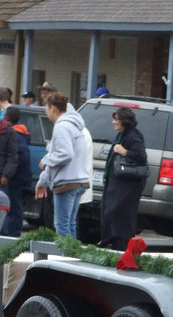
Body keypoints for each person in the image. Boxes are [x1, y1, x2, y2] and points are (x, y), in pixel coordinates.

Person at [36, 93, 90, 239]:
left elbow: (65, 153)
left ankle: (64, 252)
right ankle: (72, 252)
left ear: (53, 107)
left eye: (46, 108)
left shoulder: (61, 126)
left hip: (66, 181)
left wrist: (46, 160)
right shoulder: (75, 125)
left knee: (62, 224)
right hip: (80, 180)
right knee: (70, 223)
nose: (46, 112)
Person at [98, 107, 147, 250]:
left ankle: (121, 247)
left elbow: (141, 156)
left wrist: (124, 151)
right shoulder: (121, 135)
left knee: (120, 215)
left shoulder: (133, 136)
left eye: (116, 119)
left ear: (124, 121)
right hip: (116, 183)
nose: (113, 122)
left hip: (127, 186)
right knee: (110, 212)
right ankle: (110, 240)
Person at [0, 107, 29, 236]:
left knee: (8, 208)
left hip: (5, 179)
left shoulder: (10, 132)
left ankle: (7, 236)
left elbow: (14, 157)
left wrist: (6, 175)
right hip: (13, 177)